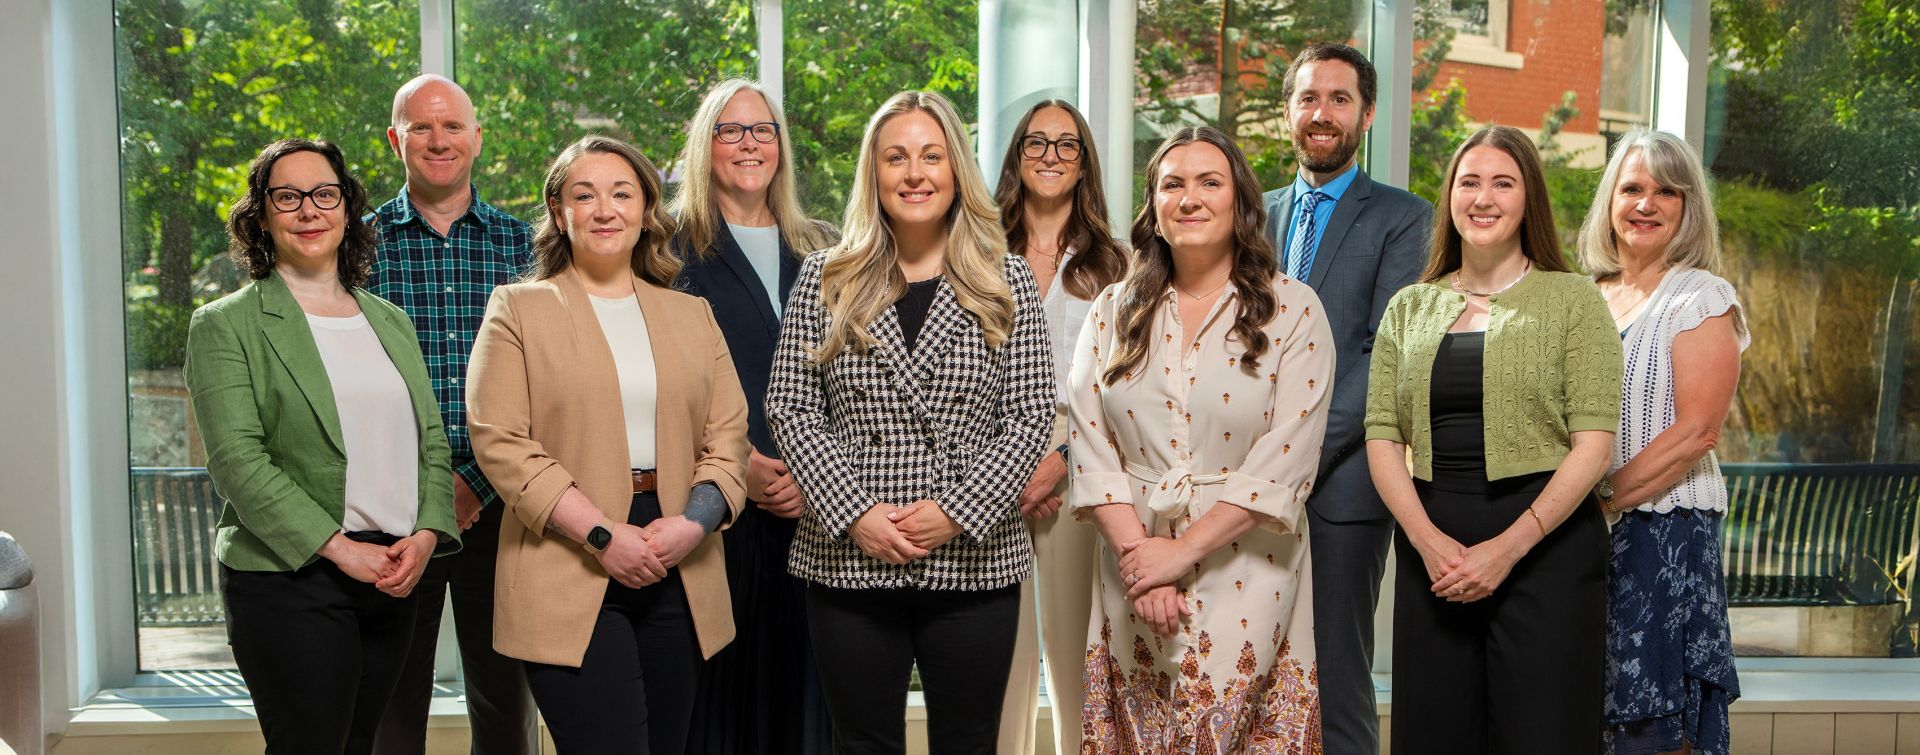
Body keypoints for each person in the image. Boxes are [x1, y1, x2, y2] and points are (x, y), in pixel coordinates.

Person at [765, 90, 1055, 755]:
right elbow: (792, 405)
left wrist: (957, 509)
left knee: (968, 742)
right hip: (850, 553)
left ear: (956, 170)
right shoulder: (826, 277)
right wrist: (855, 510)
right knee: (862, 742)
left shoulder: (1006, 278)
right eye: (896, 157)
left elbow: (1032, 411)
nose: (914, 173)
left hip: (973, 559)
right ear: (874, 173)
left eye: (931, 155)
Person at [466, 135, 750, 754]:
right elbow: (501, 443)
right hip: (568, 556)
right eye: (584, 194)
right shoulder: (518, 309)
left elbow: (727, 440)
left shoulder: (691, 315)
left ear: (646, 211)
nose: (605, 209)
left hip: (677, 552)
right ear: (559, 213)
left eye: (622, 194)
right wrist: (601, 534)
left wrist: (693, 527)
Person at [187, 138, 459, 754]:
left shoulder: (388, 319)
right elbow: (237, 461)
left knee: (360, 744)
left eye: (324, 194)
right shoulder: (226, 324)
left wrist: (425, 535)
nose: (309, 210)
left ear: (346, 208)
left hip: (393, 571)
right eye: (288, 196)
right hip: (291, 578)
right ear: (261, 215)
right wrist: (338, 549)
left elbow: (432, 443)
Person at [1070, 126, 1332, 753]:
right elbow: (1090, 442)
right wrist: (1147, 565)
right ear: (1154, 211)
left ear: (1241, 204)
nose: (1190, 198)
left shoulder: (1293, 310)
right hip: (1131, 565)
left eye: (1209, 182)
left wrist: (1180, 553)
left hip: (1249, 568)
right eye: (1172, 185)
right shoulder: (1112, 309)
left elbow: (1286, 459)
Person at [1364, 125, 1622, 754]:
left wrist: (1507, 549)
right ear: (1449, 196)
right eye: (1468, 181)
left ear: (1528, 197)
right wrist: (1427, 544)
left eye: (1502, 183)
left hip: (1546, 549)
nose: (1483, 198)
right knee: (1434, 734)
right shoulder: (1409, 306)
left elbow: (1595, 446)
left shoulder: (1573, 301)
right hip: (1437, 553)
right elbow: (1381, 438)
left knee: (1544, 735)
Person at [1260, 43, 1431, 755]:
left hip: (1342, 488)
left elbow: (1382, 356)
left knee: (1336, 680)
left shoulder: (1405, 217)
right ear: (1288, 113)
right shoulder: (1251, 213)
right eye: (1308, 99)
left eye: (1338, 99)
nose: (1321, 114)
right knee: (1251, 672)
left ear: (1365, 113)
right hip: (1241, 482)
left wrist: (1292, 456)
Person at [366, 73, 539, 755]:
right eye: (421, 126)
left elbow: (543, 385)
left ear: (477, 137)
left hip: (503, 508)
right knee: (391, 706)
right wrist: (433, 491)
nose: (439, 139)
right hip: (393, 508)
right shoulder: (355, 245)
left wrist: (475, 480)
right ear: (395, 140)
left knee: (505, 703)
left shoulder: (525, 246)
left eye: (453, 125)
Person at [671, 78, 840, 755]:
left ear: (781, 145)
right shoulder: (666, 250)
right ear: (703, 144)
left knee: (808, 702)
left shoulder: (829, 249)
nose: (749, 143)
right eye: (730, 129)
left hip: (818, 509)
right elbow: (655, 378)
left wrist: (817, 469)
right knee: (719, 704)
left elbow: (857, 379)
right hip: (715, 505)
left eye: (762, 129)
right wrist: (737, 459)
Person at [1578, 128, 1745, 755]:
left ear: (1688, 207)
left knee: (1654, 717)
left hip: (1663, 532)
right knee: (1591, 706)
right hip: (1588, 532)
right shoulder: (1585, 294)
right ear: (1610, 201)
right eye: (1632, 188)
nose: (1646, 204)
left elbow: (1696, 432)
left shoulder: (1701, 296)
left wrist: (1598, 502)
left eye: (1667, 192)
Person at [989, 98, 1130, 755]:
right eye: (1036, 143)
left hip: (1085, 465)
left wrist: (1065, 457)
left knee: (1076, 654)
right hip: (988, 470)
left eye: (1066, 144)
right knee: (997, 662)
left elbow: (1129, 389)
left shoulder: (1118, 263)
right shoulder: (975, 253)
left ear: (1083, 163)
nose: (1051, 155)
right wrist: (1005, 466)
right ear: (1016, 157)